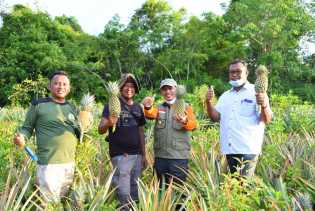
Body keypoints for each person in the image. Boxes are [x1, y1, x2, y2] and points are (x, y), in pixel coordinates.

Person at [13, 71, 81, 202]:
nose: (61, 87)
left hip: (70, 164)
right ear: (49, 86)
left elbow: (79, 132)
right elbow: (27, 128)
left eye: (64, 84)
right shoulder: (38, 104)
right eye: (57, 83)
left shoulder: (72, 107)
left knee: (64, 203)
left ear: (69, 87)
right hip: (49, 165)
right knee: (49, 205)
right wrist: (21, 137)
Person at [206, 59, 273, 176]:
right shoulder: (225, 96)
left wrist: (264, 105)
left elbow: (266, 119)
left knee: (243, 188)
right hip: (229, 150)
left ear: (246, 73)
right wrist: (208, 102)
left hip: (247, 150)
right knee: (233, 188)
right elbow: (215, 117)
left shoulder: (257, 92)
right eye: (232, 72)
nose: (235, 74)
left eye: (238, 71)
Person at [98, 73, 147, 210]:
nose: (129, 88)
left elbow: (141, 132)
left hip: (136, 155)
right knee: (123, 192)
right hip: (120, 155)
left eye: (132, 86)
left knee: (134, 189)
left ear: (136, 89)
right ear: (120, 88)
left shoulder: (138, 108)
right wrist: (109, 122)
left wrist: (144, 155)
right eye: (126, 86)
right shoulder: (111, 105)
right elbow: (100, 129)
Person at [142, 78, 197, 186]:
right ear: (161, 92)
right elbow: (150, 114)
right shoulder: (159, 107)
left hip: (178, 158)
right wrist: (148, 106)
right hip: (161, 157)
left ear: (176, 89)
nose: (167, 92)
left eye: (170, 88)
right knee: (161, 190)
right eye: (164, 89)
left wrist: (185, 121)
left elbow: (193, 125)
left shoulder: (186, 107)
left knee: (178, 190)